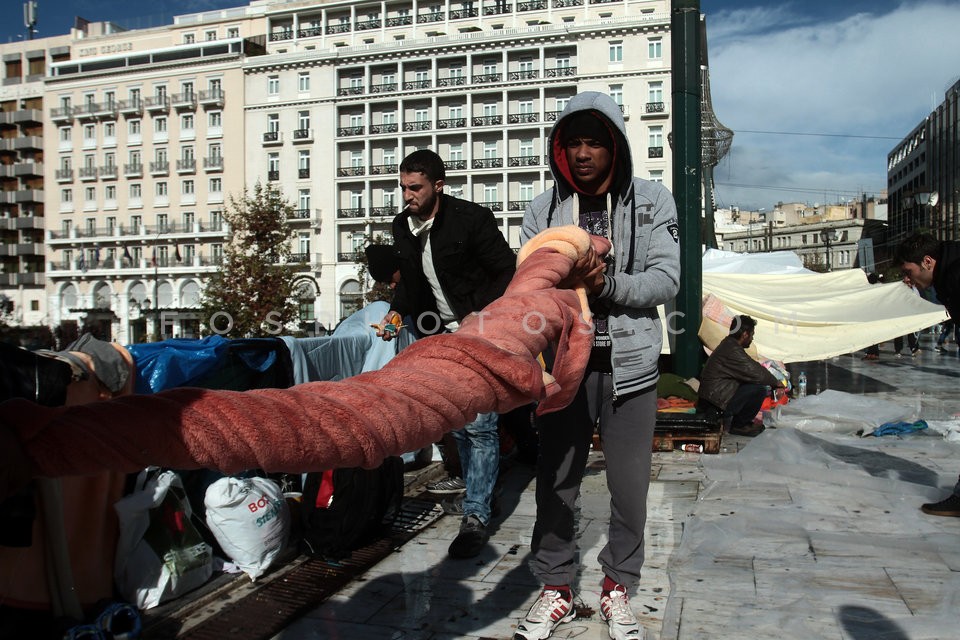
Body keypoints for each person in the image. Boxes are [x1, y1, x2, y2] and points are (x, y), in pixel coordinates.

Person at [516, 91, 680, 640]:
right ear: (560, 150)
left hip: (631, 368)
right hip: (565, 366)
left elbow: (666, 279)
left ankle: (618, 587)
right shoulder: (541, 210)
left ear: (615, 146)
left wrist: (606, 282)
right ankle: (556, 588)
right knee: (556, 483)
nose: (584, 153)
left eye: (595, 142)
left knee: (629, 486)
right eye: (574, 143)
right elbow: (531, 285)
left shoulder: (653, 200)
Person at [376, 149, 517, 558]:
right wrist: (395, 315)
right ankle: (479, 484)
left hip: (481, 331)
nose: (407, 196)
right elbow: (410, 285)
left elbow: (506, 270)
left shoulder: (472, 219)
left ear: (439, 186)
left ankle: (476, 514)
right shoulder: (402, 226)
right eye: (402, 187)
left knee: (482, 426)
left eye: (415, 188)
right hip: (435, 337)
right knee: (457, 422)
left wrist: (480, 310)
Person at [896, 231, 960, 517]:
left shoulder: (955, 274)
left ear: (927, 261)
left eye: (908, 271)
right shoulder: (950, 270)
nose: (907, 280)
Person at [697, 315, 783, 438]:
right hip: (714, 403)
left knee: (753, 385)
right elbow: (756, 372)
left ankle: (738, 423)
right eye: (752, 335)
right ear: (745, 334)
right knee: (758, 389)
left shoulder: (729, 345)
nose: (752, 338)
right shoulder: (732, 350)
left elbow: (752, 366)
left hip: (713, 399)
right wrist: (776, 383)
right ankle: (740, 425)